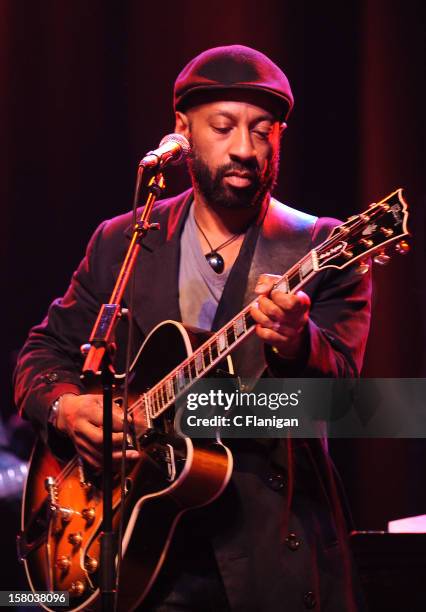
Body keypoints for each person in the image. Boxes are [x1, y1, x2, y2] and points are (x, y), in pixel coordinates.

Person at [14, 45, 371, 611]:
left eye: (263, 131)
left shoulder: (321, 246)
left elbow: (352, 404)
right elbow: (42, 352)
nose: (244, 149)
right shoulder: (123, 239)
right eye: (223, 127)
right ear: (182, 131)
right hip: (140, 554)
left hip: (268, 556)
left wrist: (297, 345)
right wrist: (66, 408)